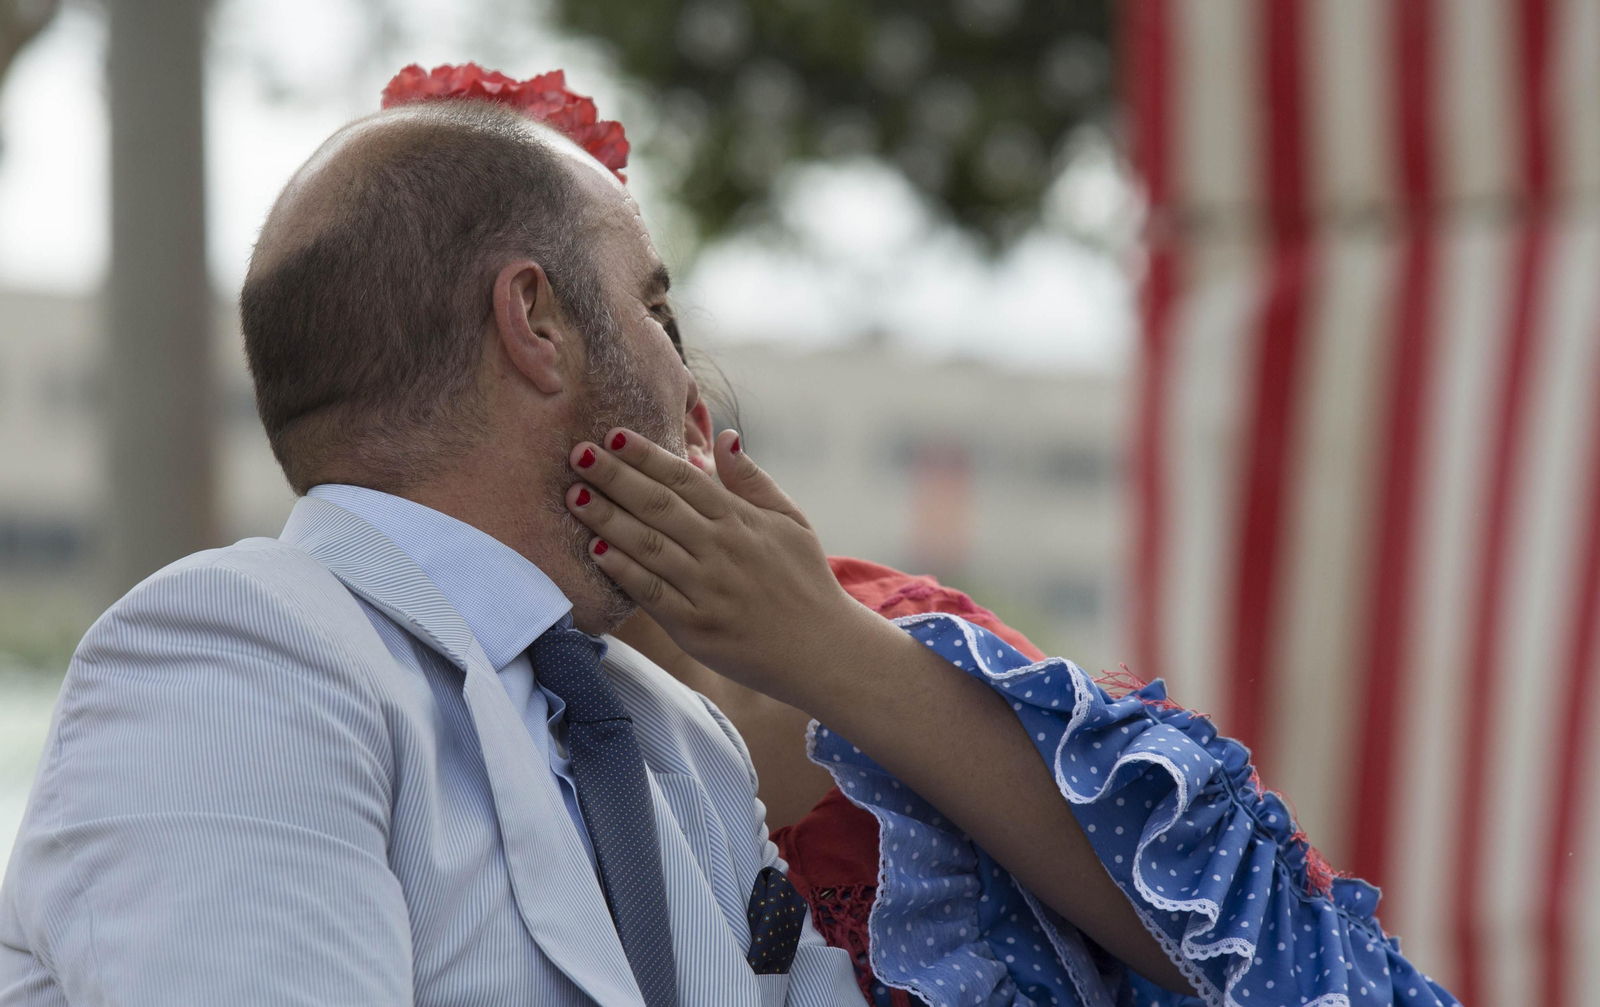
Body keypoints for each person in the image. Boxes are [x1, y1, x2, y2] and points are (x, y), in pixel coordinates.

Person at [0, 66, 1187, 1006]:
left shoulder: (674, 736)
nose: (691, 387)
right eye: (655, 308)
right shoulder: (237, 647)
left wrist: (823, 651)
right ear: (536, 320)